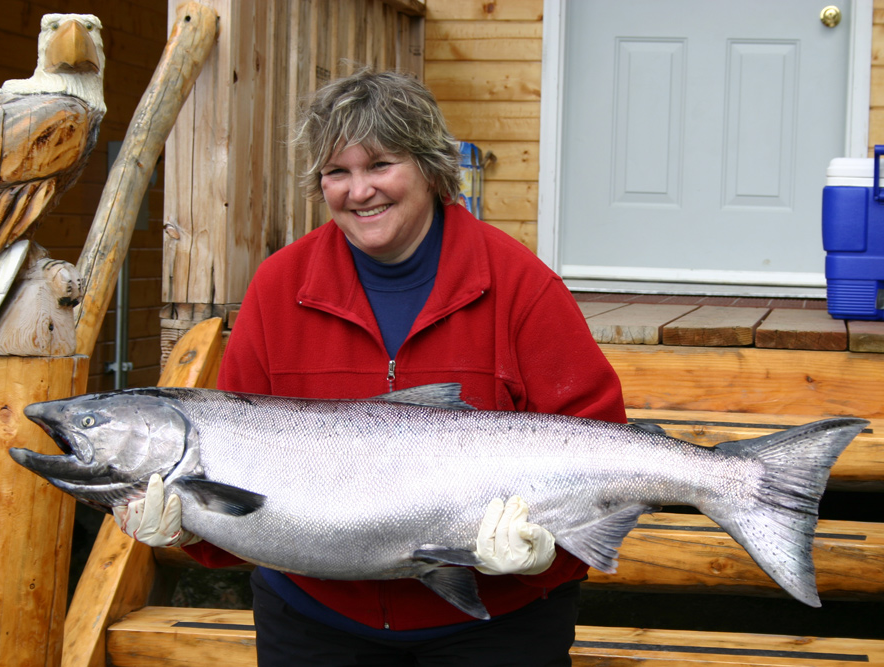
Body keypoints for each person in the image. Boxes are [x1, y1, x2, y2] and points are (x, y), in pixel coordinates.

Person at [113, 68, 627, 666]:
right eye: (338, 172)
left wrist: (548, 558)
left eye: (380, 164)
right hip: (313, 623)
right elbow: (240, 484)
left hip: (497, 628)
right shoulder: (280, 287)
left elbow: (603, 444)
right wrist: (188, 528)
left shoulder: (518, 284)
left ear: (432, 169)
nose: (359, 192)